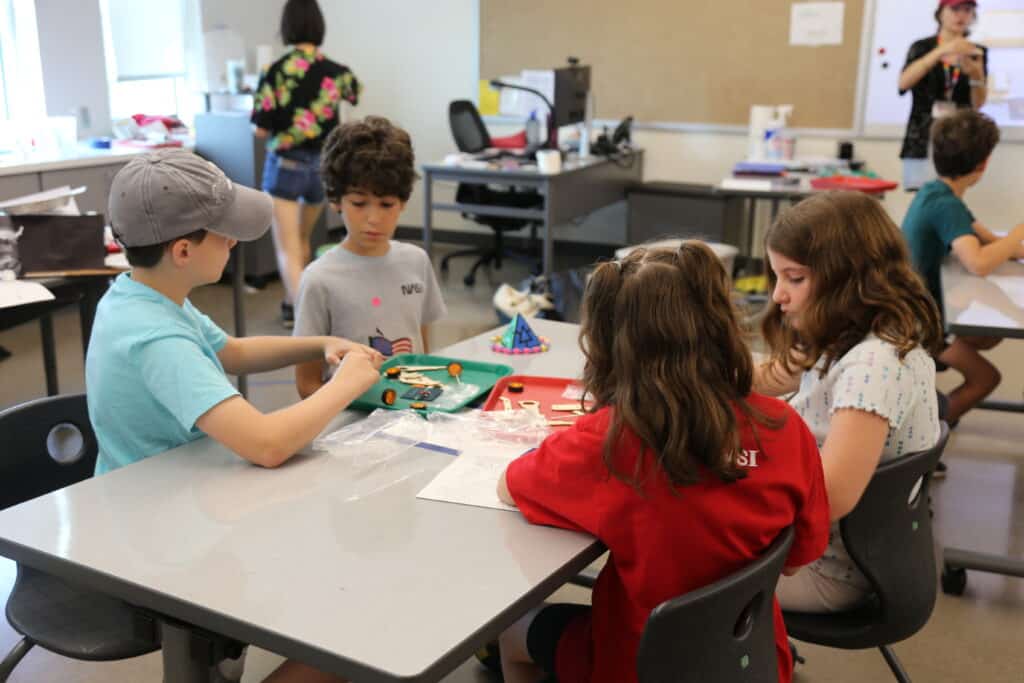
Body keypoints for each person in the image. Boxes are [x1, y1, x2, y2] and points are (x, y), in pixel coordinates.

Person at [493, 243, 830, 683]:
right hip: (752, 659)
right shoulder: (784, 426)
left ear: (610, 343)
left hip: (638, 666)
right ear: (720, 325)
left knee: (510, 631)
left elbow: (509, 485)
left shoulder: (609, 440)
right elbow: (798, 557)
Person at [86, 149, 384, 478]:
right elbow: (267, 444)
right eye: (224, 233)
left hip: (169, 485)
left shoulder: (140, 295)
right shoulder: (157, 339)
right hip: (158, 507)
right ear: (183, 251)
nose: (232, 243)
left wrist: (321, 344)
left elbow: (233, 352)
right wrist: (345, 385)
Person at [756, 191, 944, 613]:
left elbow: (830, 495)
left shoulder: (872, 366)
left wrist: (738, 475)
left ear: (847, 276)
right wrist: (694, 371)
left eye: (795, 278)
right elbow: (772, 375)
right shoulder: (857, 331)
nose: (778, 296)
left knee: (670, 558)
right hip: (855, 553)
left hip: (831, 572)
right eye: (777, 277)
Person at [293, 116, 446, 399]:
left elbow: (423, 354)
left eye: (386, 204)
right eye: (359, 203)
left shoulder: (417, 262)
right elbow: (307, 383)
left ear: (403, 203)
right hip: (350, 424)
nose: (373, 218)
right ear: (336, 200)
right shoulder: (319, 279)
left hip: (411, 413)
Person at [901, 110, 1024, 427]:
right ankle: (929, 436)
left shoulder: (935, 191)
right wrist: (1017, 234)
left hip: (919, 311)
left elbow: (986, 239)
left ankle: (927, 413)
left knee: (986, 336)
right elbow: (978, 262)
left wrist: (1012, 244)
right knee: (986, 378)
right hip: (916, 326)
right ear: (983, 164)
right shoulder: (947, 205)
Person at [251, 0, 361, 328]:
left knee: (287, 248)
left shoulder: (275, 71)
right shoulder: (338, 72)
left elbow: (260, 130)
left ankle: (306, 319)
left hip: (285, 165)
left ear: (286, 28)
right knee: (301, 239)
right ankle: (290, 302)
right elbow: (353, 100)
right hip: (322, 167)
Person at [898, 0, 987, 191]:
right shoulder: (922, 47)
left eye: (967, 10)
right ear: (940, 13)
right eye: (955, 9)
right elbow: (903, 83)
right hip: (922, 135)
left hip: (958, 137)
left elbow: (978, 104)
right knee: (922, 197)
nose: (961, 15)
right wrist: (941, 51)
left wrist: (976, 75)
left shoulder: (976, 51)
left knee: (951, 196)